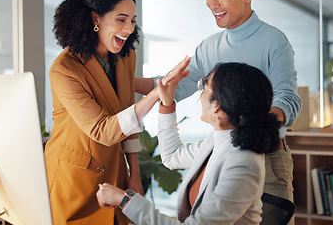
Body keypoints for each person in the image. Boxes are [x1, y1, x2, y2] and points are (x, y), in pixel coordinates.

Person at [134, 0, 302, 210]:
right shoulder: (209, 47)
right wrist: (115, 79)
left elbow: (288, 98)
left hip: (267, 156)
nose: (213, 3)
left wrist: (249, 132)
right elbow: (172, 85)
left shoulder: (274, 41)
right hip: (223, 151)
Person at [45, 0, 190, 224]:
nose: (129, 28)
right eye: (121, 19)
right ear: (95, 19)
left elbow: (127, 117)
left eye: (133, 20)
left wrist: (134, 174)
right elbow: (102, 130)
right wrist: (155, 94)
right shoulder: (64, 69)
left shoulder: (125, 57)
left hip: (115, 174)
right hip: (73, 178)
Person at [97, 62, 281, 224]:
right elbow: (172, 157)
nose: (199, 94)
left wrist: (126, 200)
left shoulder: (244, 165)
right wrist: (167, 105)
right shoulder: (220, 139)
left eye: (204, 86)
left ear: (217, 105)